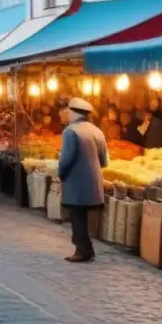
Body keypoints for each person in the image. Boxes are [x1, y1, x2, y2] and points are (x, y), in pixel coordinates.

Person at [58, 97, 108, 263]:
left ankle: (82, 250)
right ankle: (87, 249)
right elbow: (104, 161)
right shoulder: (97, 131)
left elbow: (66, 159)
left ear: (73, 112)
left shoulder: (71, 131)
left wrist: (61, 174)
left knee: (77, 216)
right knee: (83, 215)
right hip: (94, 181)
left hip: (76, 181)